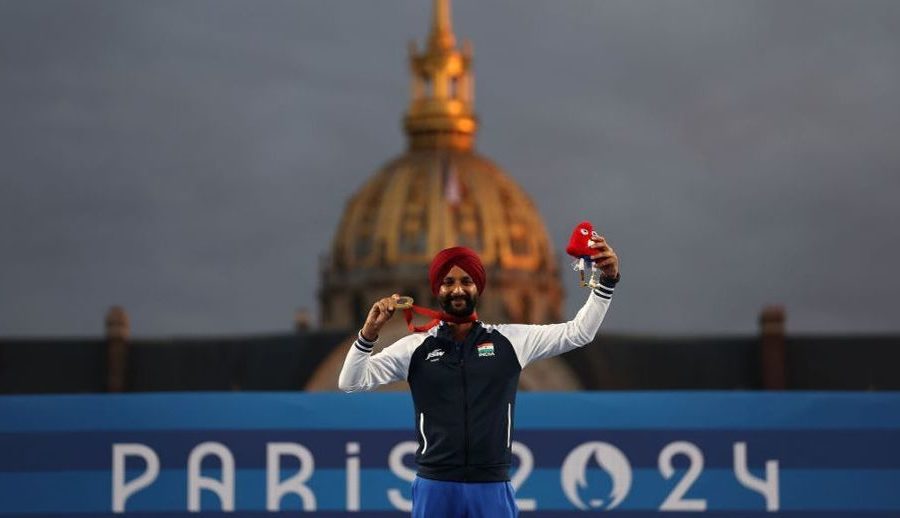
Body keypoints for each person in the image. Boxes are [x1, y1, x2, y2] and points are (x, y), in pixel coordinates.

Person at [338, 237, 619, 518]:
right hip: (435, 485)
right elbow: (350, 382)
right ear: (438, 289)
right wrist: (368, 334)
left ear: (478, 288)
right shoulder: (415, 347)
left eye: (466, 281)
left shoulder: (511, 340)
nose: (457, 289)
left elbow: (580, 332)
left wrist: (606, 281)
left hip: (491, 485)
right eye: (448, 282)